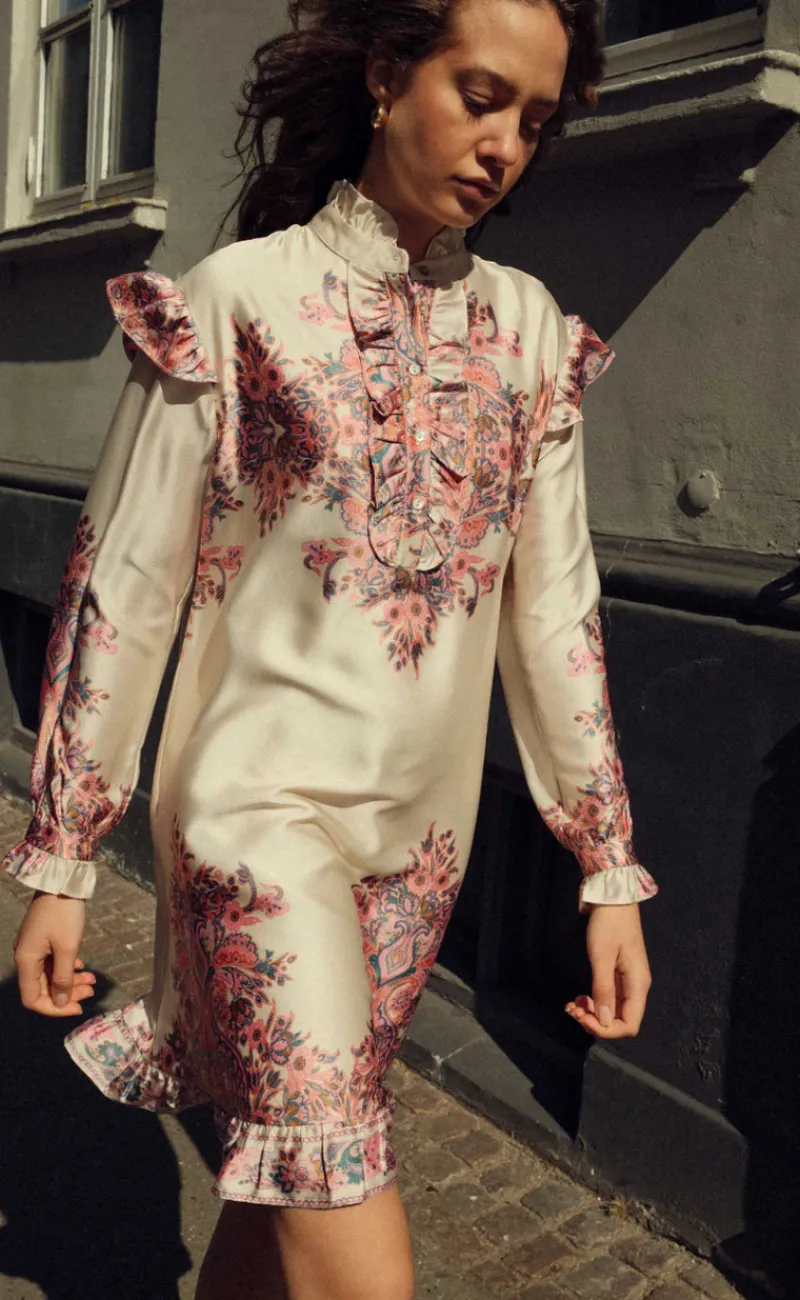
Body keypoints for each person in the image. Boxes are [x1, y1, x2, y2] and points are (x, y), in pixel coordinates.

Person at [5, 1, 659, 1297]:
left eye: (534, 121)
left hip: (417, 856)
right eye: (480, 95)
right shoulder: (235, 301)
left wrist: (607, 865)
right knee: (358, 1246)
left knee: (279, 1206)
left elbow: (554, 616)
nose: (505, 146)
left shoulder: (534, 336)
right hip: (252, 819)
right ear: (385, 75)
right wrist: (66, 852)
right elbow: (122, 584)